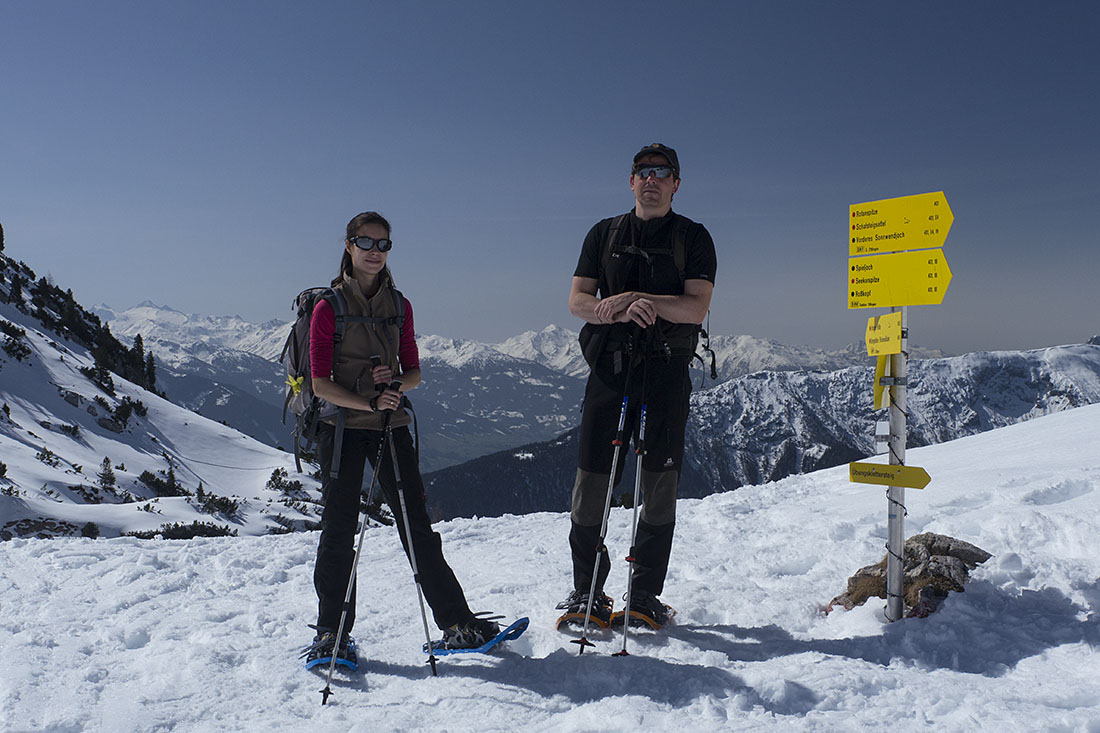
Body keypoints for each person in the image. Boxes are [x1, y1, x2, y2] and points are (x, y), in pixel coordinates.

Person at [304, 211, 500, 667]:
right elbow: (319, 384)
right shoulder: (328, 308)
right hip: (341, 430)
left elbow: (414, 372)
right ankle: (331, 633)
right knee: (339, 531)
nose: (375, 251)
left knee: (416, 527)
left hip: (389, 428)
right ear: (349, 246)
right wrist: (368, 401)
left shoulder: (399, 305)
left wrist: (393, 385)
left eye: (383, 244)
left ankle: (457, 623)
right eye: (365, 242)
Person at [558, 143, 717, 630]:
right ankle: (587, 589)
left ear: (675, 184)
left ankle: (644, 594)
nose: (651, 179)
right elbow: (577, 300)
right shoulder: (603, 233)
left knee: (659, 482)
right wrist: (611, 308)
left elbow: (696, 307)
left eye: (662, 172)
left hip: (665, 370)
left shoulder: (693, 238)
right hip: (611, 368)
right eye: (643, 172)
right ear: (631, 182)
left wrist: (635, 298)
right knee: (592, 478)